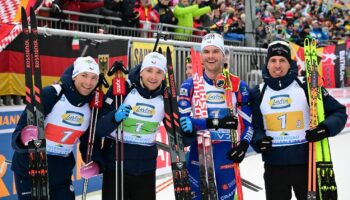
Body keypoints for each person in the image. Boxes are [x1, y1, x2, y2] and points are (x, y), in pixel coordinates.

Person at [250, 40, 347, 200]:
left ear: (290, 64)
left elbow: (339, 112)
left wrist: (324, 128)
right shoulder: (258, 92)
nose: (277, 65)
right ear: (267, 64)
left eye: (282, 60)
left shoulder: (308, 86)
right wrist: (259, 141)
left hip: (307, 165)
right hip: (274, 168)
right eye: (273, 61)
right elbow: (255, 127)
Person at [11, 56, 102, 200]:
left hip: (61, 175)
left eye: (94, 78)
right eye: (84, 75)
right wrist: (23, 138)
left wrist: (96, 163)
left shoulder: (91, 107)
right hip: (31, 171)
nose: (88, 82)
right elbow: (17, 136)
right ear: (74, 76)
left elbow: (89, 143)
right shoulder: (51, 94)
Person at [178, 33, 253, 199]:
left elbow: (248, 124)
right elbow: (183, 124)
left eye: (215, 51)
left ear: (223, 54)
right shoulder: (190, 85)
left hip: (226, 158)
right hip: (197, 159)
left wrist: (243, 146)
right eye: (206, 52)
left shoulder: (238, 86)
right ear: (201, 55)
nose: (211, 56)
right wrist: (214, 122)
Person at [83, 52, 167, 200]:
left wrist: (188, 130)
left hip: (146, 170)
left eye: (158, 72)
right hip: (116, 167)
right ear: (141, 72)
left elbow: (181, 139)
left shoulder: (166, 97)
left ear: (164, 75)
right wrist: (114, 118)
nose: (153, 77)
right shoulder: (122, 89)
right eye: (149, 71)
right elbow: (98, 129)